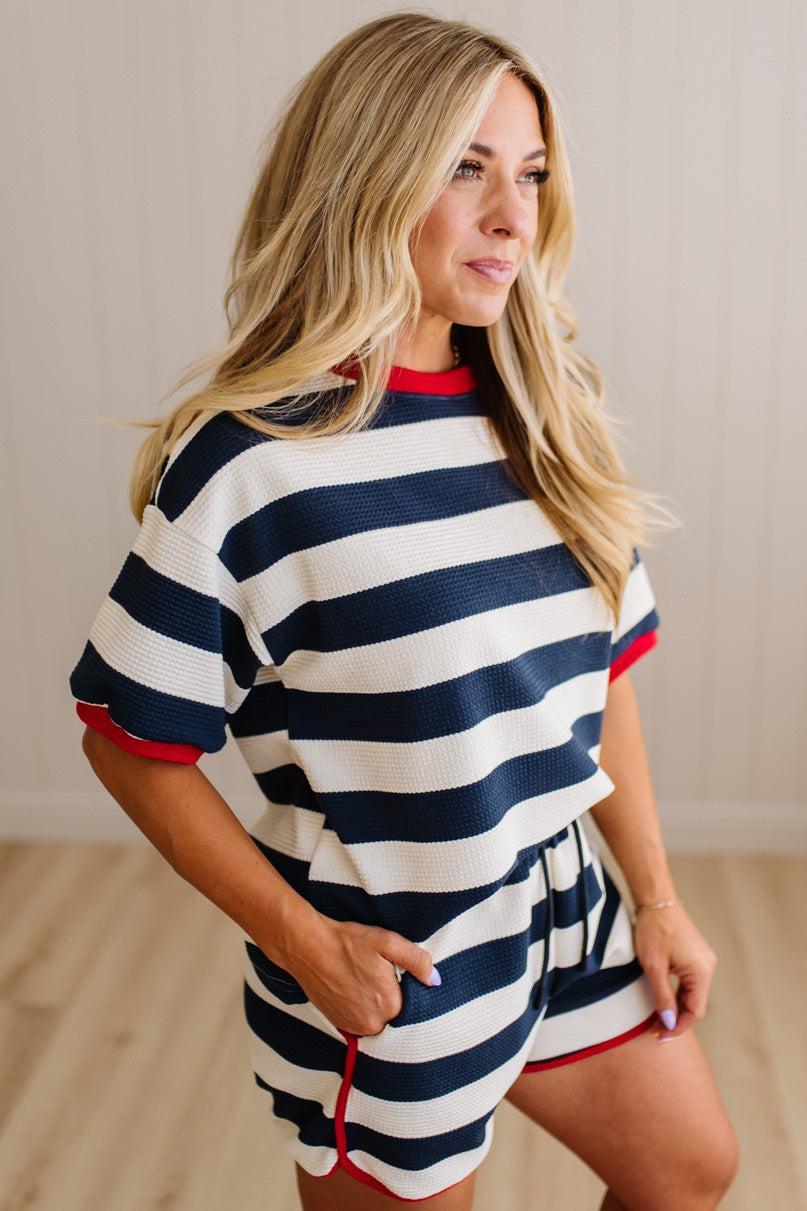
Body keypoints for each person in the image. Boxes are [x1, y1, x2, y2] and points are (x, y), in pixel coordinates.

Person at [68, 12, 739, 1209]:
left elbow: (603, 680)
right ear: (366, 177)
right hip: (395, 955)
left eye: (531, 173)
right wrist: (305, 942)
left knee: (690, 1172)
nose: (514, 216)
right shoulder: (250, 465)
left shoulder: (545, 415)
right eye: (466, 168)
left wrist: (656, 897)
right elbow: (129, 741)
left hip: (562, 899)